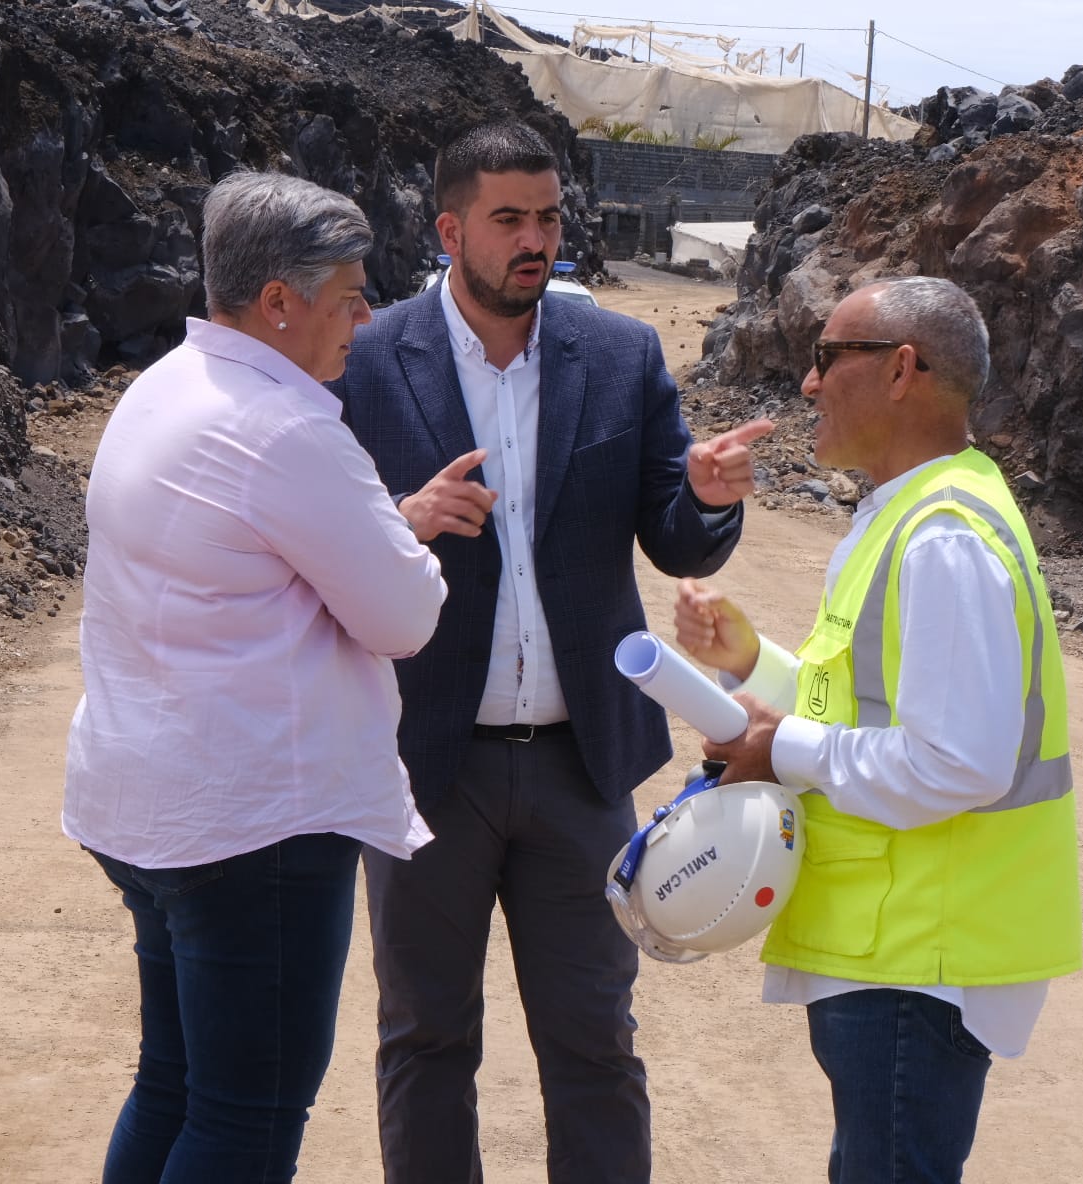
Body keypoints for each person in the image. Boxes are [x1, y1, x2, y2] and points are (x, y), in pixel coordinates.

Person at [329, 119, 770, 1184]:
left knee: (594, 1040)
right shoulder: (373, 358)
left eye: (550, 217)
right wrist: (403, 515)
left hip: (583, 766)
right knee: (426, 1039)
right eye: (509, 219)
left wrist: (705, 498)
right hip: (429, 763)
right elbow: (325, 540)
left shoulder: (618, 355)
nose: (536, 239)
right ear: (449, 230)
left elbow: (672, 527)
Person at [61, 170, 448, 1184]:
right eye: (351, 295)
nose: (362, 319)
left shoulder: (167, 386)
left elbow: (242, 555)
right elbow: (404, 615)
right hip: (255, 822)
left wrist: (379, 527)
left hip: (155, 802)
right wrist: (402, 546)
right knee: (245, 1116)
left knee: (175, 1084)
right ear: (280, 300)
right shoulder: (288, 426)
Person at [673, 276, 1083, 1184]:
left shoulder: (941, 538)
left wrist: (776, 750)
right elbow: (863, 707)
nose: (809, 385)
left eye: (827, 358)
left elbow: (957, 761)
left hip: (917, 962)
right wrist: (752, 667)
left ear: (902, 370)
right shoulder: (914, 514)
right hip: (901, 951)